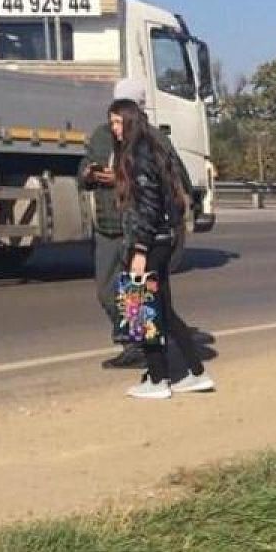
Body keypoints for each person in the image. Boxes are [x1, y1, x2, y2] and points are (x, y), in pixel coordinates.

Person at [82, 78, 193, 369]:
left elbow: (173, 182)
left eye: (122, 114)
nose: (116, 125)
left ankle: (146, 352)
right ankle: (143, 344)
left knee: (140, 293)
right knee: (108, 290)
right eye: (113, 115)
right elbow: (84, 166)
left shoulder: (153, 141)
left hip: (139, 229)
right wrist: (90, 174)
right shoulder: (101, 136)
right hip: (108, 224)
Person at [109, 99, 214, 400]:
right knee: (163, 311)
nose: (114, 129)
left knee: (141, 309)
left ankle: (157, 379)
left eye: (117, 122)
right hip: (162, 239)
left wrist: (139, 249)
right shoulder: (151, 147)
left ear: (129, 121)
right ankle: (195, 373)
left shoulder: (138, 154)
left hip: (149, 242)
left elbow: (148, 205)